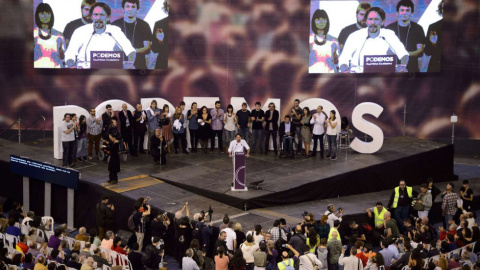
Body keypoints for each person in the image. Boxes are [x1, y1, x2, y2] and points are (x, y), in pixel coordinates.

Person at [65, 2, 136, 69]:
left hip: (109, 72)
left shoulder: (115, 31)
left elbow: (130, 50)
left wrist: (130, 63)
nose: (98, 18)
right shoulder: (80, 31)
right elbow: (70, 53)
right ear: (92, 17)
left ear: (108, 17)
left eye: (102, 15)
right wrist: (71, 66)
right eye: (95, 15)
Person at [339, 7, 409, 73]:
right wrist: (345, 71)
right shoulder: (355, 36)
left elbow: (403, 54)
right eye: (370, 19)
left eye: (376, 19)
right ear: (366, 21)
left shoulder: (389, 35)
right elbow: (343, 59)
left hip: (384, 78)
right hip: (358, 78)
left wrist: (402, 67)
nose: (373, 23)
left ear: (382, 22)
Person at [386, 0, 425, 73]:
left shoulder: (418, 28)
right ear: (397, 12)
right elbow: (386, 51)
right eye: (402, 10)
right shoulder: (389, 29)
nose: (404, 13)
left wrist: (403, 54)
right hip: (392, 68)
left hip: (412, 69)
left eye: (407, 10)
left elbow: (420, 51)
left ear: (412, 13)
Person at [112, 0, 152, 69]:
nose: (130, 9)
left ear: (138, 9)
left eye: (133, 7)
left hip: (139, 66)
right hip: (118, 65)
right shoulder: (115, 25)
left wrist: (130, 51)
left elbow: (147, 48)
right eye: (127, 6)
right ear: (122, 9)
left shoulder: (144, 25)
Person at [33, 3, 65, 68]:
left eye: (47, 13)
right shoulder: (34, 34)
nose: (45, 16)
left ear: (51, 15)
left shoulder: (59, 35)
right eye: (42, 14)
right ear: (37, 15)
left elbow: (63, 59)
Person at [309, 9, 339, 73]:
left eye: (323, 19)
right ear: (313, 21)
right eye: (318, 20)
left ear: (327, 21)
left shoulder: (334, 41)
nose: (321, 22)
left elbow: (337, 63)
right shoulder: (309, 39)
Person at [424, 1, 443, 72]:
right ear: (441, 10)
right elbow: (427, 52)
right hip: (436, 66)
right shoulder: (433, 27)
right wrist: (433, 43)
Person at [151, 3, 169, 69]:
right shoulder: (159, 24)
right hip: (163, 63)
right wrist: (160, 41)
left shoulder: (188, 23)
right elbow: (154, 49)